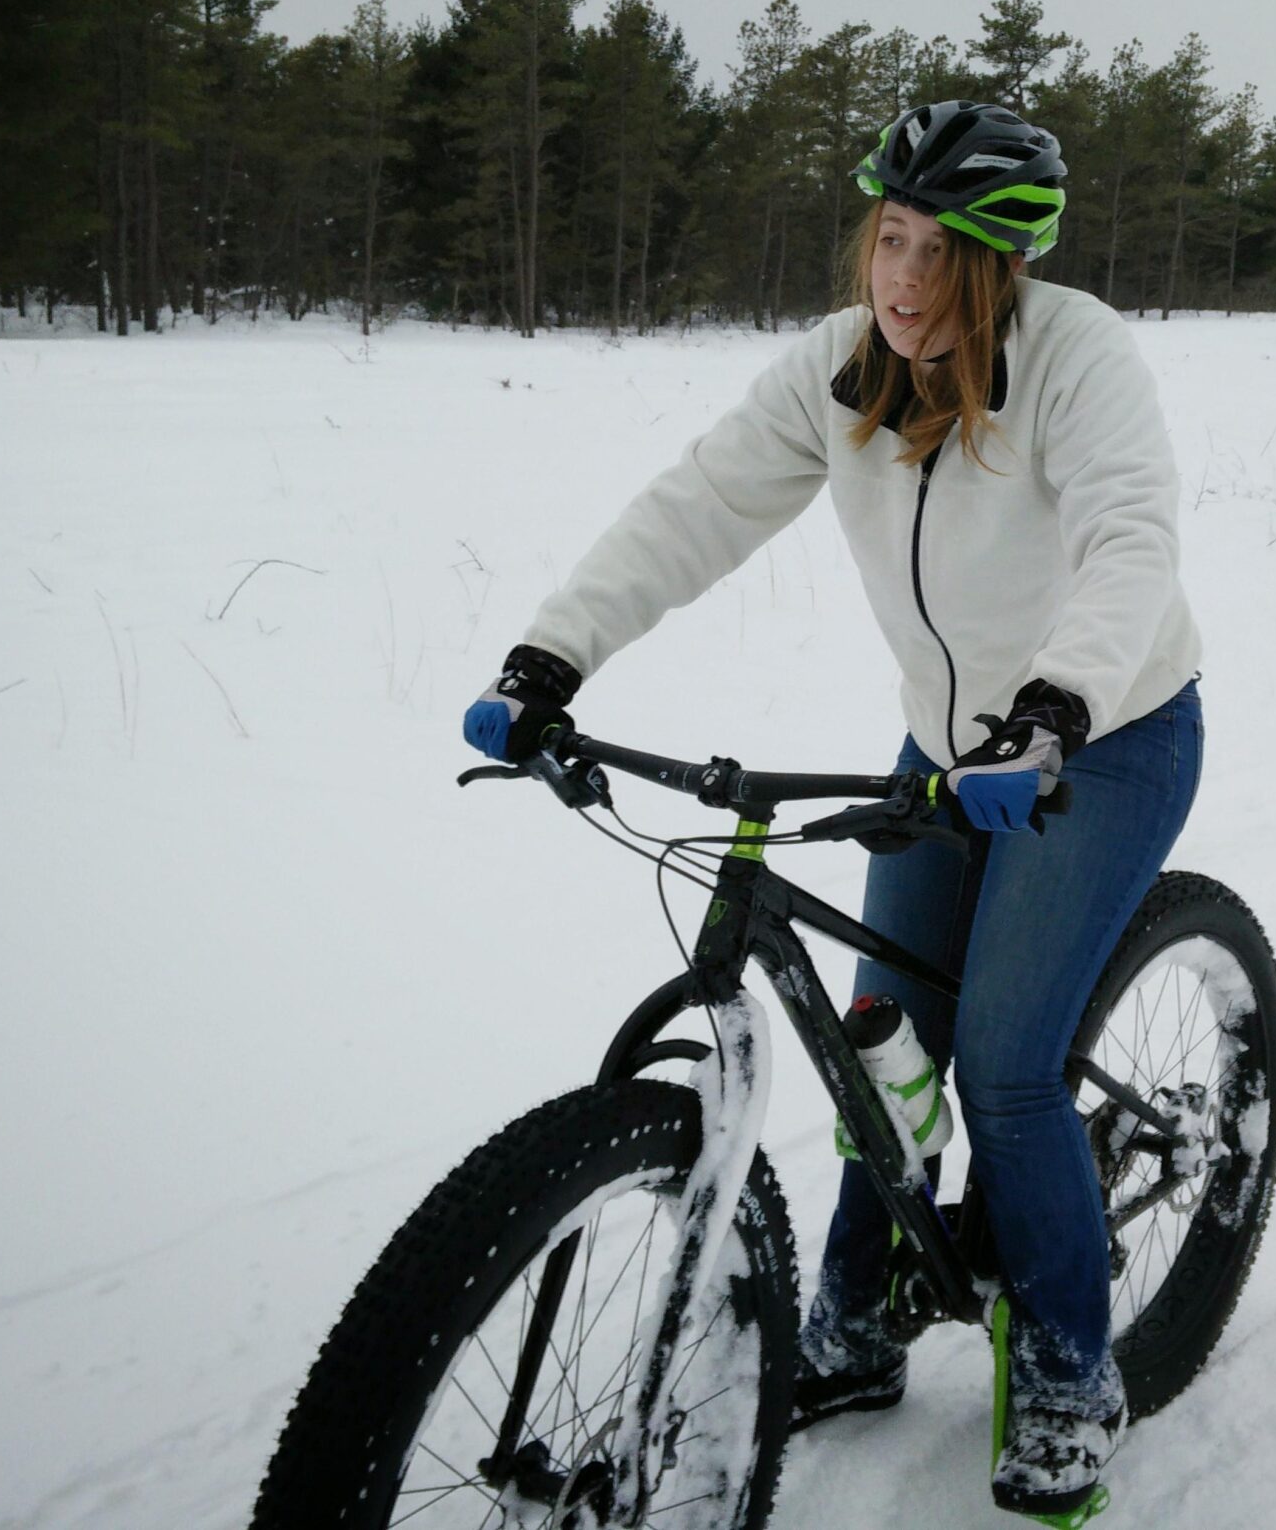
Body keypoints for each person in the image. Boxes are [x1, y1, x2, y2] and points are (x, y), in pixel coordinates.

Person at [465, 99, 1203, 1521]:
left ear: (1001, 269)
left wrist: (1055, 703)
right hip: (948, 750)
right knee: (884, 1042)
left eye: (943, 254)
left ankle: (1066, 1357)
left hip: (1105, 735)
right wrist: (556, 651)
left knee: (996, 1063)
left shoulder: (1078, 358)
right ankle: (859, 1317)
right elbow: (698, 505)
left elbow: (1129, 537)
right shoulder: (842, 367)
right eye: (891, 239)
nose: (907, 279)